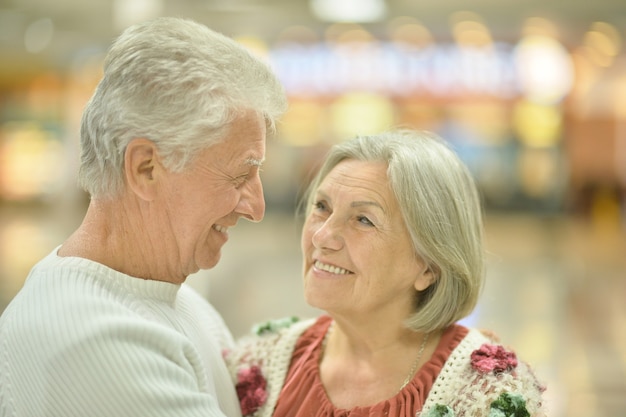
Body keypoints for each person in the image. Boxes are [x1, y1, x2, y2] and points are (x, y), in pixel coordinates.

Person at [0, 17, 286, 417]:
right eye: (240, 175)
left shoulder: (174, 297)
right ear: (146, 169)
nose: (256, 207)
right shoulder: (90, 339)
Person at [225, 130, 547, 416]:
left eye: (363, 220)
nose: (322, 236)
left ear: (430, 265)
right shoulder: (260, 366)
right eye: (322, 207)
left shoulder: (487, 396)